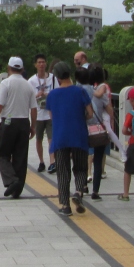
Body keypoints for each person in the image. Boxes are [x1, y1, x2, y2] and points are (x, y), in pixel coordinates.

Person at [47, 62, 93, 215]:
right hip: (79, 135)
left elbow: (52, 116)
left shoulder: (52, 95)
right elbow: (90, 113)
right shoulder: (80, 91)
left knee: (62, 171)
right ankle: (78, 192)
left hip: (60, 137)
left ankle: (65, 206)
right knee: (80, 167)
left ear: (57, 77)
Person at [0, 56, 38, 198]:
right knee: (20, 156)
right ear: (22, 69)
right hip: (24, 122)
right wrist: (33, 126)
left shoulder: (6, 83)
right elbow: (34, 108)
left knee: (2, 154)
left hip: (9, 121)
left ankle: (11, 180)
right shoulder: (28, 85)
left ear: (8, 68)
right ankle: (17, 190)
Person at [87, 66, 115, 199]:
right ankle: (95, 191)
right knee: (98, 160)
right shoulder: (101, 94)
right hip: (98, 130)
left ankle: (82, 186)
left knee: (83, 157)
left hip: (84, 128)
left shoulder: (84, 91)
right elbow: (110, 111)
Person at [29, 54, 58, 174]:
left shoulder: (53, 78)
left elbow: (57, 92)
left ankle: (52, 162)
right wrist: (38, 95)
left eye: (43, 62)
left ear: (46, 64)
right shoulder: (31, 81)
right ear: (35, 65)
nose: (41, 64)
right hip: (38, 113)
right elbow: (29, 97)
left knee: (51, 138)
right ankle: (41, 161)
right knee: (39, 138)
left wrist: (49, 95)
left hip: (50, 113)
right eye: (39, 62)